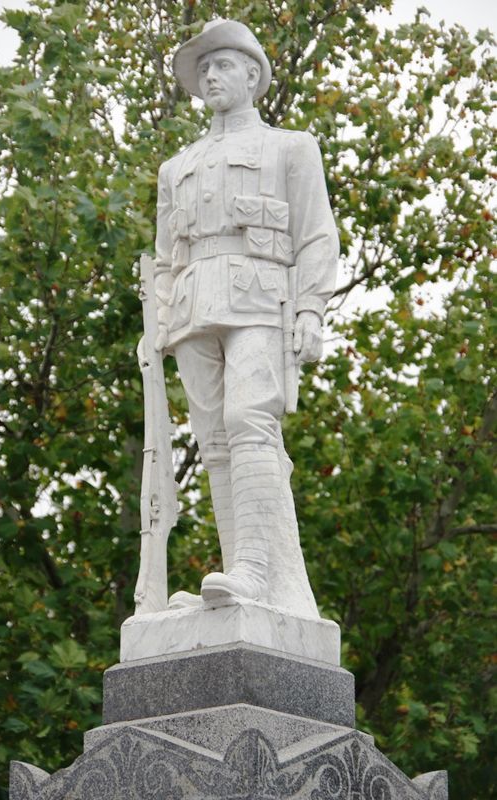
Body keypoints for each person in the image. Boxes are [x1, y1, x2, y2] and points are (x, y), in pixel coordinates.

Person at [154, 18, 339, 617]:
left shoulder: (290, 148)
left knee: (249, 419)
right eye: (203, 68)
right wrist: (157, 325)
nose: (210, 75)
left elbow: (316, 236)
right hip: (190, 308)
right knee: (213, 441)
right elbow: (164, 257)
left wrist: (311, 307)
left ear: (253, 76)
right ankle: (238, 573)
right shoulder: (176, 167)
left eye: (223, 64)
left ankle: (257, 573)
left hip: (261, 299)